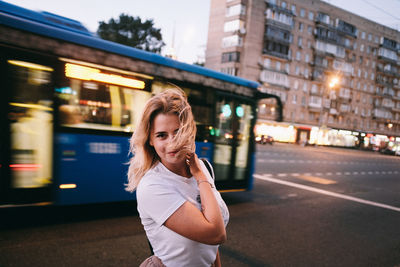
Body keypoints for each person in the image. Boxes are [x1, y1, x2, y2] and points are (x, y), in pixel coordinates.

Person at [126, 88, 229, 267]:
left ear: (189, 131)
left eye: (178, 131)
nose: (172, 142)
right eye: (161, 135)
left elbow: (212, 247)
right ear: (150, 140)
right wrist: (200, 178)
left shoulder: (203, 167)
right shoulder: (152, 186)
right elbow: (215, 234)